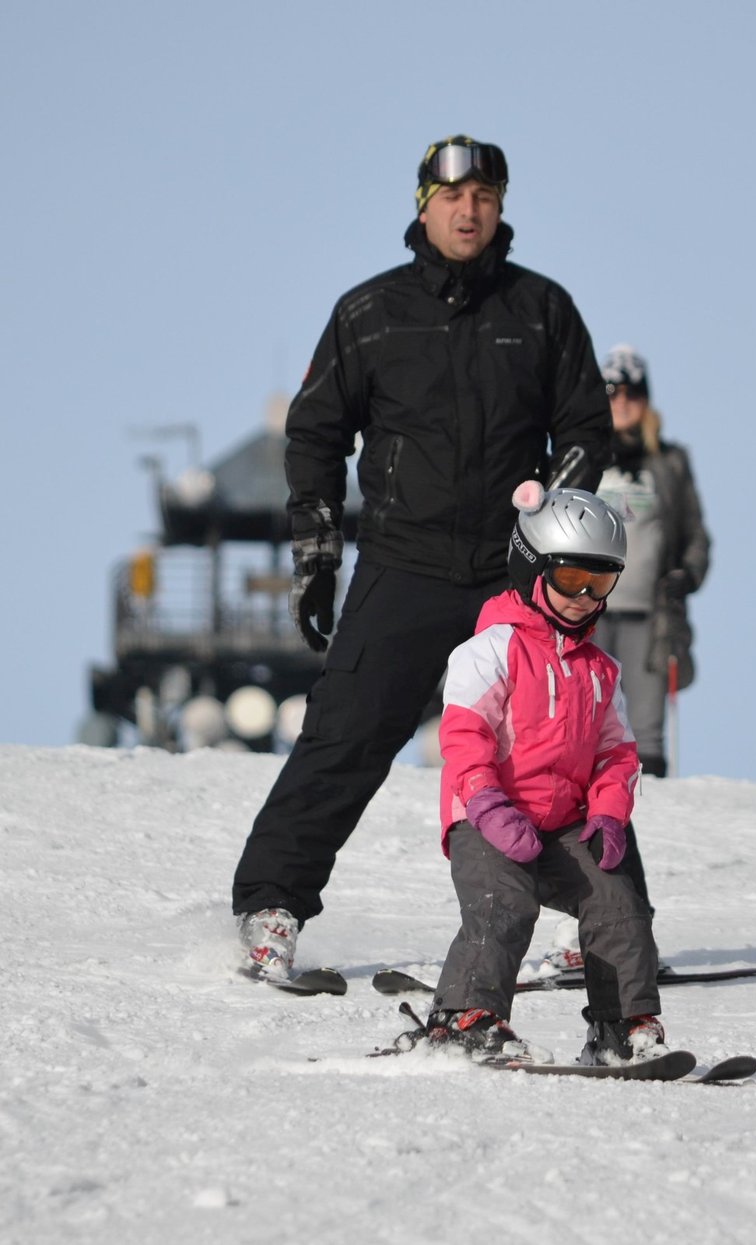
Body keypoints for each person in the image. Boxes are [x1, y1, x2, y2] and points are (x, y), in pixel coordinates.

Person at [232, 135, 613, 979]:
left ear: (502, 205)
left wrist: (556, 504)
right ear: (422, 205)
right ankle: (271, 912)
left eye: (483, 195)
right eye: (451, 197)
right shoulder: (370, 311)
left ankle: (585, 926)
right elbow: (317, 432)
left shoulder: (542, 310)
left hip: (512, 573)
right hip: (402, 563)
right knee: (346, 737)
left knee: (553, 747)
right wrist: (317, 550)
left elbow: (587, 422)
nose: (467, 210)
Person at [389, 481, 669, 1065]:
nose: (584, 597)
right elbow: (465, 737)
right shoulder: (490, 649)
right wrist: (487, 804)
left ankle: (623, 1030)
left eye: (601, 582)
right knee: (503, 904)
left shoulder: (603, 671)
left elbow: (616, 756)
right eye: (571, 580)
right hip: (488, 817)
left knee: (619, 903)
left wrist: (610, 815)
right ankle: (466, 1018)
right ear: (531, 567)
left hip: (565, 824)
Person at [593, 344, 711, 778]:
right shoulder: (581, 456)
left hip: (649, 612)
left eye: (633, 393)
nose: (622, 402)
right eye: (611, 392)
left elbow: (695, 535)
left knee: (645, 728)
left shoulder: (668, 463)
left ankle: (653, 814)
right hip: (586, 607)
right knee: (588, 719)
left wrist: (687, 575)